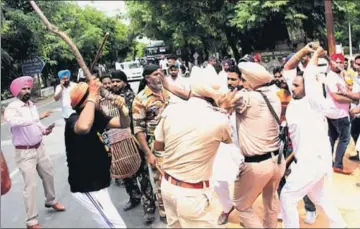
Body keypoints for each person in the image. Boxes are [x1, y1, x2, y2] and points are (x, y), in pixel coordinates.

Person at [153, 67, 233, 228]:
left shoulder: (171, 109)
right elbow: (228, 141)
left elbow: (158, 145)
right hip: (192, 194)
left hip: (167, 187)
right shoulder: (220, 121)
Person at [280, 44, 347, 228]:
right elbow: (288, 68)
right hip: (308, 161)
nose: (292, 88)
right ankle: (339, 224)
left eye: (296, 85)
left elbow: (309, 75)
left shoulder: (314, 100)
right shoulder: (297, 94)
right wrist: (305, 50)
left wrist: (316, 54)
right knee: (319, 196)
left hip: (313, 160)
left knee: (287, 196)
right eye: (292, 84)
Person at [66, 79, 129, 228]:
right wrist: (93, 93)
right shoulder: (73, 120)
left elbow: (123, 124)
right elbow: (83, 127)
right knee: (117, 226)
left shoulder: (96, 116)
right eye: (96, 96)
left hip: (99, 183)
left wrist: (121, 109)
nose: (100, 98)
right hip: (87, 187)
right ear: (87, 100)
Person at [4, 76, 65, 229]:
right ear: (17, 91)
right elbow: (14, 122)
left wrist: (44, 130)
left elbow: (35, 124)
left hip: (39, 147)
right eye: (23, 89)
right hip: (25, 153)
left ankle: (51, 200)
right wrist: (37, 117)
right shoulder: (12, 108)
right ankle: (31, 221)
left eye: (28, 88)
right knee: (30, 186)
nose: (27, 91)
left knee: (49, 174)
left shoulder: (31, 105)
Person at [231, 62, 285, 228]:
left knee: (242, 205)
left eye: (243, 80)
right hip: (278, 160)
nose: (241, 83)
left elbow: (219, 100)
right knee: (270, 201)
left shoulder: (247, 98)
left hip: (257, 165)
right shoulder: (274, 96)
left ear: (250, 81)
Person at [110, 70, 157, 224]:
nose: (114, 84)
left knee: (141, 174)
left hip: (134, 140)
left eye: (117, 81)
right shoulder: (110, 98)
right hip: (119, 142)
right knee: (126, 174)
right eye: (112, 82)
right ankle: (134, 197)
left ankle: (149, 207)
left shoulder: (130, 97)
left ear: (124, 82)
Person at [132, 64, 170, 223]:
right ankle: (164, 215)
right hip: (157, 147)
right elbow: (138, 129)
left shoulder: (168, 92)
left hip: (175, 144)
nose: (160, 76)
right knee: (161, 183)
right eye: (156, 74)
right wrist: (148, 153)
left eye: (161, 73)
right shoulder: (141, 99)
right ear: (147, 78)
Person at [213, 66, 244, 225]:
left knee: (244, 182)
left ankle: (246, 213)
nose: (231, 82)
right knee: (219, 181)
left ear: (241, 80)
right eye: (229, 79)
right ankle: (226, 208)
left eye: (234, 79)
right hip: (225, 145)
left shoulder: (247, 97)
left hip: (244, 147)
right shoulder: (222, 95)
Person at [325, 53, 353, 174]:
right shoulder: (331, 77)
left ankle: (328, 162)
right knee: (345, 139)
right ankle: (338, 165)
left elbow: (344, 91)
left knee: (332, 138)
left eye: (340, 62)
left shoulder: (339, 75)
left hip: (335, 112)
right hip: (338, 113)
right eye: (335, 62)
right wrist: (354, 99)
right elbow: (337, 97)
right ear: (330, 63)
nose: (338, 64)